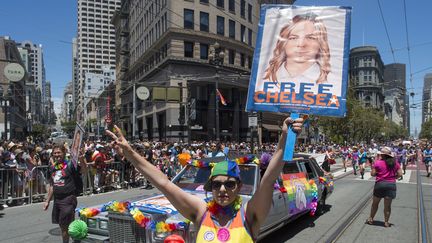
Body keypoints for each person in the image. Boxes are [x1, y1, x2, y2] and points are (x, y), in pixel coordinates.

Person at [106, 117, 303, 242]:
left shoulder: (249, 214)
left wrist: (285, 138)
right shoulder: (201, 212)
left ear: (238, 187)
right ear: (210, 187)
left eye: (229, 183)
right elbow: (164, 183)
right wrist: (130, 153)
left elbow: (268, 179)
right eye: (216, 184)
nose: (223, 189)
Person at [259, 13, 334, 94]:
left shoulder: (332, 81)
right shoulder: (263, 78)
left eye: (310, 38)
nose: (301, 44)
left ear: (321, 43)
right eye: (293, 38)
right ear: (283, 42)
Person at [43, 144, 82, 243]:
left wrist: (82, 159)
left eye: (59, 152)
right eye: (54, 153)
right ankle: (76, 238)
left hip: (68, 198)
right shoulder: (53, 167)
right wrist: (47, 201)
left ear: (64, 153)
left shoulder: (70, 165)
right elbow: (52, 185)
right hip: (57, 200)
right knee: (65, 224)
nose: (56, 155)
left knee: (64, 225)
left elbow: (84, 170)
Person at [367, 147, 402, 228]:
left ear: (382, 155)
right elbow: (400, 174)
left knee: (375, 204)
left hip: (380, 184)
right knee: (387, 206)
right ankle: (386, 222)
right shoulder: (395, 163)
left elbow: (372, 174)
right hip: (391, 185)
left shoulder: (378, 162)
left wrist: (377, 172)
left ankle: (371, 219)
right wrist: (393, 178)